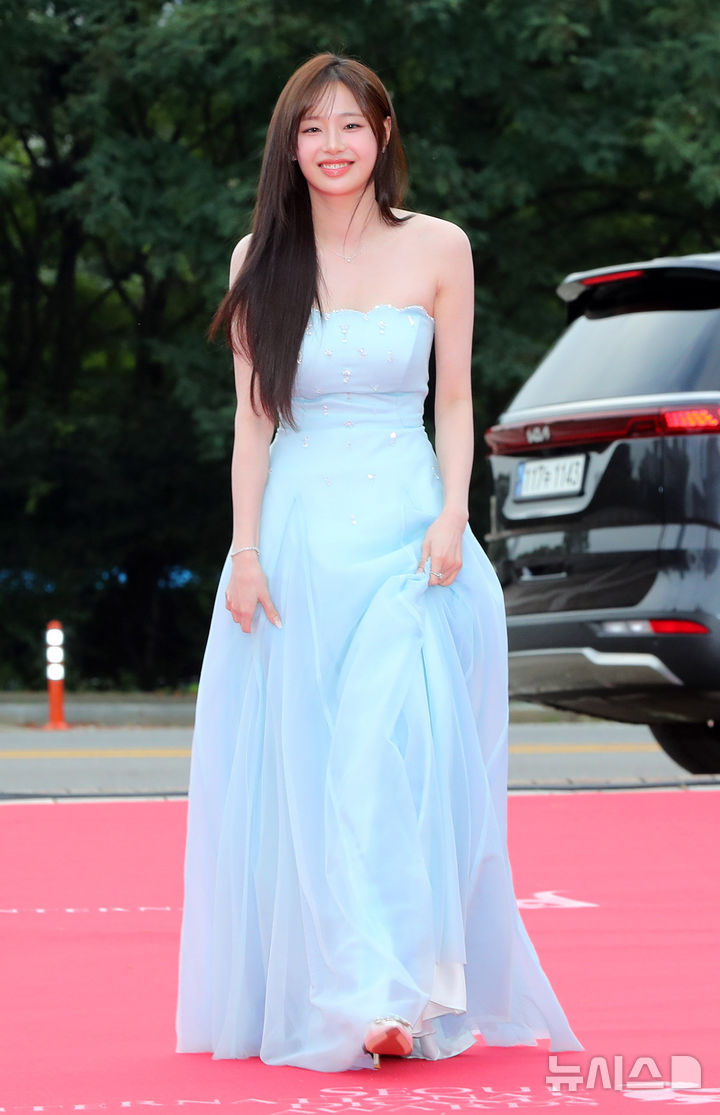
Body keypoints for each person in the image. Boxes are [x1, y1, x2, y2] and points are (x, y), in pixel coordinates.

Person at [175, 52, 583, 1074]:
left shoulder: (440, 246)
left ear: (384, 135)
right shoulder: (258, 259)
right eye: (311, 128)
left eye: (351, 125)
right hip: (301, 546)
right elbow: (253, 424)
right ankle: (364, 996)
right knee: (317, 771)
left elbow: (456, 398)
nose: (332, 145)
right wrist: (245, 550)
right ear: (289, 145)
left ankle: (405, 985)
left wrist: (453, 513)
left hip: (410, 537)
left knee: (404, 759)